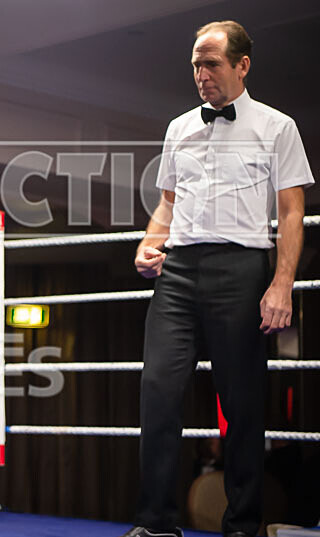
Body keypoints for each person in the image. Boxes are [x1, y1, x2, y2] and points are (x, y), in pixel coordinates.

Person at [125, 20, 314, 537]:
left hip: (242, 268)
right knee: (158, 389)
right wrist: (148, 244)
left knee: (243, 402)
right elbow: (167, 204)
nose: (201, 73)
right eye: (195, 64)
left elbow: (292, 212)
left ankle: (242, 525)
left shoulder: (278, 127)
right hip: (179, 271)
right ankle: (157, 522)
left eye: (210, 63)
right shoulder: (178, 127)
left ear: (241, 65)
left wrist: (282, 283)